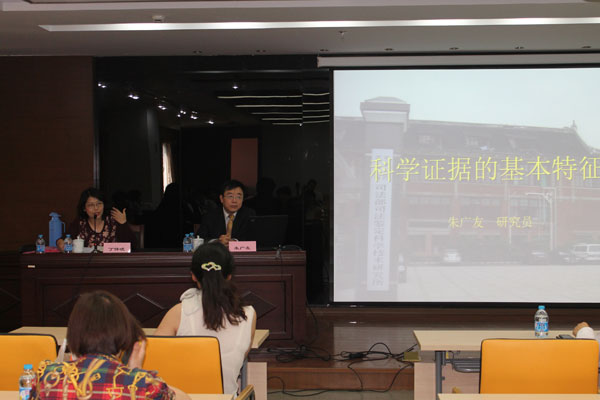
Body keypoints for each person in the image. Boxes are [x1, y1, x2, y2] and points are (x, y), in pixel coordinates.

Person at [31, 290, 190, 400]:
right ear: (124, 334)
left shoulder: (47, 376)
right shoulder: (141, 383)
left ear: (74, 333)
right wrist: (137, 372)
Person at [155, 242, 256, 395]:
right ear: (229, 276)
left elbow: (154, 360)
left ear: (193, 275)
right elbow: (239, 359)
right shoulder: (248, 314)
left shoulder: (179, 312)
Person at [57, 187, 137, 251]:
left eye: (99, 204)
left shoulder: (113, 221)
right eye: (91, 205)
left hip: (111, 263)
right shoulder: (80, 222)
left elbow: (132, 246)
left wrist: (123, 224)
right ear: (84, 208)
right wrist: (60, 242)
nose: (96, 208)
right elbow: (64, 239)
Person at [196, 180, 256, 246]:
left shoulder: (249, 214)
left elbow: (253, 238)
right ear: (221, 198)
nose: (234, 201)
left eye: (239, 197)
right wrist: (216, 241)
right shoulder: (210, 216)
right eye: (230, 196)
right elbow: (199, 238)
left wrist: (235, 242)